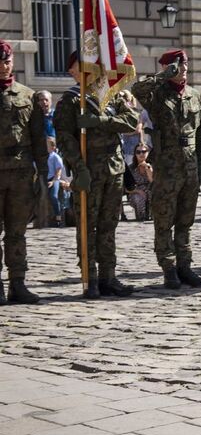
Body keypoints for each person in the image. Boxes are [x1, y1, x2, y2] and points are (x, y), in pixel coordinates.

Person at [53, 51, 138, 298]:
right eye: (76, 69)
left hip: (114, 168)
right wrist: (78, 167)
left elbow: (131, 121)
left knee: (109, 225)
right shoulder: (70, 100)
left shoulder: (112, 93)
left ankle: (108, 277)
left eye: (81, 67)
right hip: (88, 169)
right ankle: (89, 278)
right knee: (86, 226)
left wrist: (99, 120)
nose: (76, 72)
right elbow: (64, 138)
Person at [132, 49, 201, 289]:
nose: (183, 68)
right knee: (164, 221)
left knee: (185, 221)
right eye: (177, 65)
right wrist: (163, 76)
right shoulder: (157, 94)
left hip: (189, 168)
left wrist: (198, 167)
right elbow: (136, 89)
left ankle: (184, 266)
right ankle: (168, 268)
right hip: (166, 168)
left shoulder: (194, 96)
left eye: (184, 64)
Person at [0, 40, 47, 304]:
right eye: (0, 62)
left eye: (7, 61)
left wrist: (42, 173)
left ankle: (18, 283)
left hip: (20, 174)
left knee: (17, 232)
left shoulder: (27, 96)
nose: (3, 66)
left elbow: (39, 139)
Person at [127, 144, 153, 221]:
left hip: (150, 190)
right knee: (138, 197)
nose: (141, 154)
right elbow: (126, 188)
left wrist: (148, 168)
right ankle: (141, 217)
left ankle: (152, 215)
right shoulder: (131, 168)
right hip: (135, 191)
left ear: (148, 153)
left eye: (144, 152)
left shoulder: (152, 165)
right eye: (138, 152)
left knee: (153, 194)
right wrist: (138, 191)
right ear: (135, 154)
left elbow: (152, 181)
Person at [45, 137, 65, 227]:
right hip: (45, 178)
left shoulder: (55, 157)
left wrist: (53, 181)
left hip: (54, 178)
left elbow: (58, 170)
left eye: (48, 146)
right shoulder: (44, 157)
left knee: (53, 196)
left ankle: (58, 216)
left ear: (53, 147)